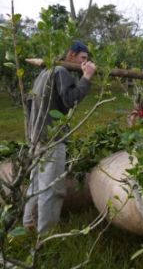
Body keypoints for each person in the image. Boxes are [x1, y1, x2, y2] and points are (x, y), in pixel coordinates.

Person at [23, 41, 96, 234]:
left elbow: (30, 105)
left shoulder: (44, 73)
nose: (84, 63)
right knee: (51, 188)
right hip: (52, 138)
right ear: (71, 54)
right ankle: (44, 234)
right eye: (83, 58)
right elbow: (71, 100)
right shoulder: (61, 72)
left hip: (37, 137)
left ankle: (28, 223)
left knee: (36, 183)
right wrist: (87, 77)